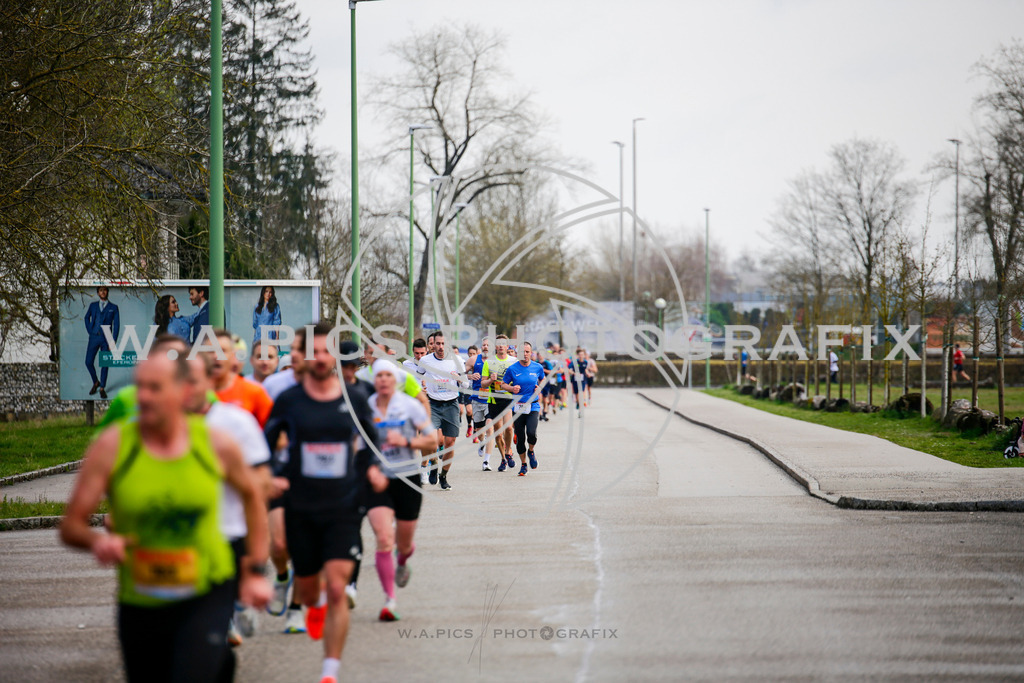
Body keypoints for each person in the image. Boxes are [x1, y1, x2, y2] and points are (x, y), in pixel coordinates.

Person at [60, 349, 271, 683]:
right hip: (140, 595)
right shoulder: (113, 445)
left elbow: (253, 495)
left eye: (155, 388)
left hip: (206, 586)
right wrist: (97, 542)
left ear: (183, 391)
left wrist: (255, 569)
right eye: (139, 386)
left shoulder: (215, 443)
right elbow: (71, 524)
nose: (142, 396)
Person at [263, 322, 384, 683]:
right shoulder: (289, 400)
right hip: (300, 503)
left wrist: (373, 471)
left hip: (342, 505)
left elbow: (370, 444)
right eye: (312, 351)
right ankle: (308, 602)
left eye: (325, 351)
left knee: (336, 586)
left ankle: (329, 671)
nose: (319, 358)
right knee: (311, 585)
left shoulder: (355, 397)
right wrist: (272, 473)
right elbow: (265, 445)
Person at [185, 353, 279, 648]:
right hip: (175, 543)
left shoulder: (235, 419)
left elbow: (274, 442)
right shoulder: (144, 425)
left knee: (209, 635)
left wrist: (256, 570)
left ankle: (234, 611)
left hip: (227, 528)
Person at [364, 359, 436, 621]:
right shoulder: (365, 407)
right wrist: (368, 468)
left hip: (407, 478)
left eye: (388, 375)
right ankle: (389, 600)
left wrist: (407, 440)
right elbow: (355, 442)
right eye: (379, 375)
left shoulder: (410, 406)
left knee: (403, 545)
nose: (383, 379)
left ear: (395, 380)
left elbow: (432, 439)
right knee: (384, 539)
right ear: (374, 380)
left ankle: (403, 561)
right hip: (378, 481)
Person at [261, 328, 308, 632]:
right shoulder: (274, 386)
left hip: (314, 479)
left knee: (305, 547)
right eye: (293, 349)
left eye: (302, 349)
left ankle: (296, 610)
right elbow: (261, 429)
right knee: (278, 545)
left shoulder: (335, 388)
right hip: (278, 474)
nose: (296, 355)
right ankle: (280, 576)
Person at [413, 330, 466, 490]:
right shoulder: (425, 361)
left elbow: (466, 384)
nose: (441, 347)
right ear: (433, 344)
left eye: (443, 344)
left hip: (451, 404)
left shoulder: (457, 360)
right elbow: (419, 376)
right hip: (433, 404)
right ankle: (434, 462)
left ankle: (443, 475)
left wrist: (458, 379)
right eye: (438, 343)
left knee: (450, 443)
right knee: (430, 440)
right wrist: (421, 388)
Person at [210, 330, 273, 427]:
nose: (216, 356)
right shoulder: (191, 393)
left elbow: (277, 436)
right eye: (210, 351)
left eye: (222, 351)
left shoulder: (254, 392)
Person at [500, 341, 545, 476]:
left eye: (527, 352)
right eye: (522, 352)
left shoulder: (537, 367)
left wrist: (539, 388)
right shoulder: (512, 369)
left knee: (531, 433)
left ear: (531, 353)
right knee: (520, 438)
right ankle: (524, 464)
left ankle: (531, 451)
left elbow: (543, 380)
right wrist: (511, 388)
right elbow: (503, 384)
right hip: (518, 407)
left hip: (533, 405)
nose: (525, 354)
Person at [482, 335, 517, 472]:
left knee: (508, 428)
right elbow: (483, 383)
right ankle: (503, 459)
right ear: (495, 347)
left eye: (504, 344)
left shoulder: (514, 361)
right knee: (498, 433)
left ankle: (508, 452)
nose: (501, 346)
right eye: (499, 344)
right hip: (494, 400)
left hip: (509, 398)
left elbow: (520, 378)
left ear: (507, 346)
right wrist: (490, 380)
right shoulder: (489, 362)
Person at [84, 286, 120, 399]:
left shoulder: (113, 307)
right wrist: (91, 331)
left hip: (107, 338)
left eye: (105, 290)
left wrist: (113, 341)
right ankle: (96, 382)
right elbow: (86, 318)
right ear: (98, 293)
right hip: (94, 337)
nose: (103, 292)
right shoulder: (93, 306)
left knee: (105, 363)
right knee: (88, 362)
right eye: (100, 290)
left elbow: (117, 325)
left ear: (107, 292)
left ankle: (102, 388)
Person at [468, 339, 493, 467]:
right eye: (484, 345)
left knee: (489, 428)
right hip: (477, 399)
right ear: (481, 347)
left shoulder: (496, 360)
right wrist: (470, 376)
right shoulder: (474, 360)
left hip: (490, 400)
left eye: (488, 345)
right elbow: (461, 373)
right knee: (480, 431)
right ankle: (482, 443)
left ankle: (486, 461)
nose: (486, 347)